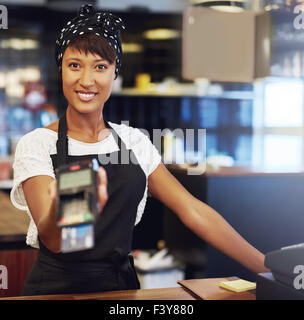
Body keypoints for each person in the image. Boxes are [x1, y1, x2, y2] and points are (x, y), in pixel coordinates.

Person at [10, 4, 269, 296]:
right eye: (74, 65)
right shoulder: (38, 143)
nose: (86, 79)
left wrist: (269, 268)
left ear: (114, 73)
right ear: (61, 69)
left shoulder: (133, 141)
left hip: (122, 291)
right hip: (57, 292)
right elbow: (54, 241)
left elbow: (192, 210)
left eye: (100, 66)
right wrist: (66, 208)